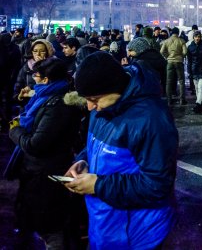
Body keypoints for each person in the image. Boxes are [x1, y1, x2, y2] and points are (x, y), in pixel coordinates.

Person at [64, 52, 178, 249]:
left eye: (94, 99)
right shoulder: (104, 106)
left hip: (137, 234)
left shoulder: (151, 120)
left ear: (115, 88)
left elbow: (157, 185)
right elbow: (99, 146)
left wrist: (98, 185)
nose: (90, 107)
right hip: (106, 226)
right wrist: (84, 161)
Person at [9, 58, 82, 248]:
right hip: (37, 169)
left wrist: (15, 130)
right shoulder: (44, 97)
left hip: (47, 172)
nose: (33, 79)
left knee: (50, 225)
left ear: (46, 79)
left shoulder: (57, 105)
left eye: (37, 76)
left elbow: (35, 144)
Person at [161, 27, 188, 106]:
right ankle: (182, 100)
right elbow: (185, 52)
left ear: (172, 32)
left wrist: (167, 57)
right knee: (181, 81)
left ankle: (169, 100)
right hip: (179, 62)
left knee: (168, 82)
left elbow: (162, 51)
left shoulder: (166, 41)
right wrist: (181, 56)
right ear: (178, 33)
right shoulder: (181, 41)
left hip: (169, 62)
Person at [187, 31, 202, 113]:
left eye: (198, 37)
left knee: (200, 87)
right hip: (194, 70)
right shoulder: (190, 47)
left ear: (200, 37)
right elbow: (189, 60)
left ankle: (198, 103)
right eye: (196, 37)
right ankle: (200, 103)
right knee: (197, 88)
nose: (197, 38)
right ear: (193, 37)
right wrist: (189, 71)